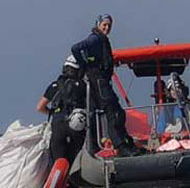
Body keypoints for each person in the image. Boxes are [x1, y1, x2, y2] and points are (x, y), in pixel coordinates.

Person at [70, 14, 139, 155]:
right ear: (98, 24)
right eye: (104, 25)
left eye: (109, 26)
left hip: (100, 80)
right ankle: (120, 145)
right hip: (99, 80)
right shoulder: (95, 39)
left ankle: (121, 143)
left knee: (111, 112)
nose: (107, 28)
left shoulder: (100, 39)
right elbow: (76, 48)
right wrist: (85, 64)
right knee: (114, 111)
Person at [37, 55, 87, 163]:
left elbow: (40, 107)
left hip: (58, 124)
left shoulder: (54, 85)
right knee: (77, 158)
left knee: (57, 161)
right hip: (76, 126)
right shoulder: (84, 86)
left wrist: (53, 113)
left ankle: (58, 176)